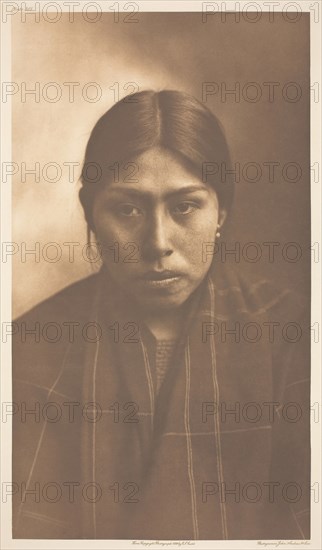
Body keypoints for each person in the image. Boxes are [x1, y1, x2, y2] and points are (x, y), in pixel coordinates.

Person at [12, 90, 310, 539]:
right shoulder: (28, 349)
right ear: (90, 214)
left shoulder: (293, 336)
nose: (157, 242)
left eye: (185, 206)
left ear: (221, 211)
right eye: (127, 209)